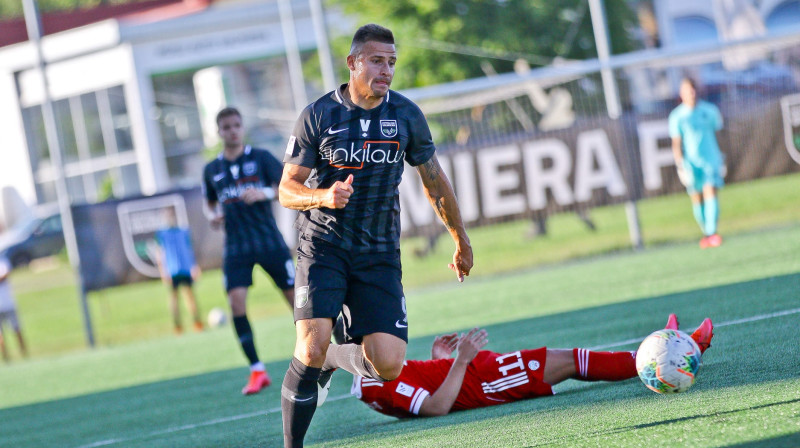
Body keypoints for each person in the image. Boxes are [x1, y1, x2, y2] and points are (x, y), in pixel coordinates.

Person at [278, 24, 473, 447]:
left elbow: (435, 182)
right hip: (323, 247)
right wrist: (323, 196)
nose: (386, 70)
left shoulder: (405, 115)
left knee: (388, 365)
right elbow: (287, 189)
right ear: (353, 63)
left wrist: (461, 238)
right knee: (308, 348)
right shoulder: (318, 115)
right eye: (376, 60)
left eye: (391, 62)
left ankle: (333, 356)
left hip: (379, 252)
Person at [342, 314, 713, 418]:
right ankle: (669, 356)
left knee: (570, 360)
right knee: (571, 361)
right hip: (484, 381)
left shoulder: (373, 377)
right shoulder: (378, 385)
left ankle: (660, 352)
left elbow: (428, 393)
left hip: (479, 375)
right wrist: (461, 361)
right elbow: (437, 407)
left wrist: (441, 359)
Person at [202, 107, 296, 395]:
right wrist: (212, 216)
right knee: (236, 305)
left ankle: (327, 355)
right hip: (236, 247)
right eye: (226, 127)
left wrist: (264, 193)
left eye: (236, 125)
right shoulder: (212, 170)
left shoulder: (261, 157)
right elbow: (209, 203)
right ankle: (257, 370)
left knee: (299, 302)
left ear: (242, 128)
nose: (232, 131)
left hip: (268, 241)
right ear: (219, 132)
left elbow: (287, 188)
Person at [669, 77, 726, 249]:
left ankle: (712, 232)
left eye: (693, 89)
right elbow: (676, 144)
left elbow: (719, 135)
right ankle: (706, 232)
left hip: (711, 160)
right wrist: (680, 166)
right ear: (682, 93)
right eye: (687, 90)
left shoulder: (710, 110)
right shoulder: (677, 116)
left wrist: (722, 157)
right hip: (691, 163)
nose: (691, 93)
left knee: (710, 192)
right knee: (697, 198)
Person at [154, 207, 203, 334]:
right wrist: (163, 271)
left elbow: (189, 249)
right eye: (167, 216)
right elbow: (160, 253)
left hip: (185, 268)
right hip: (172, 270)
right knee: (174, 298)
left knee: (190, 296)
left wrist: (194, 266)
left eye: (171, 215)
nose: (169, 218)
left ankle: (197, 323)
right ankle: (178, 326)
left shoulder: (183, 231)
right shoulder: (161, 234)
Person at [0, 255, 27, 362]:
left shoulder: (2, 260)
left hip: (8, 303)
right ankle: (6, 358)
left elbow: (6, 274)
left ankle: (24, 354)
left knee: (17, 329)